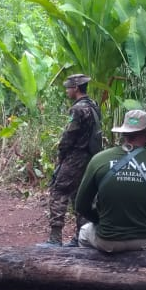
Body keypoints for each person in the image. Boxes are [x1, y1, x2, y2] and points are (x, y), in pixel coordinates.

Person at [74, 109, 146, 252]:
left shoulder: (98, 160)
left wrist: (100, 221)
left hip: (107, 241)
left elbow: (81, 205)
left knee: (84, 232)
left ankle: (93, 268)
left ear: (123, 133)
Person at [40, 73, 103, 247]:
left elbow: (70, 134)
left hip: (75, 157)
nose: (67, 91)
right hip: (90, 157)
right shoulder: (93, 105)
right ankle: (80, 237)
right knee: (80, 196)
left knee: (58, 191)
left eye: (68, 87)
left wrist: (61, 153)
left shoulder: (77, 109)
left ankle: (54, 239)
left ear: (75, 88)